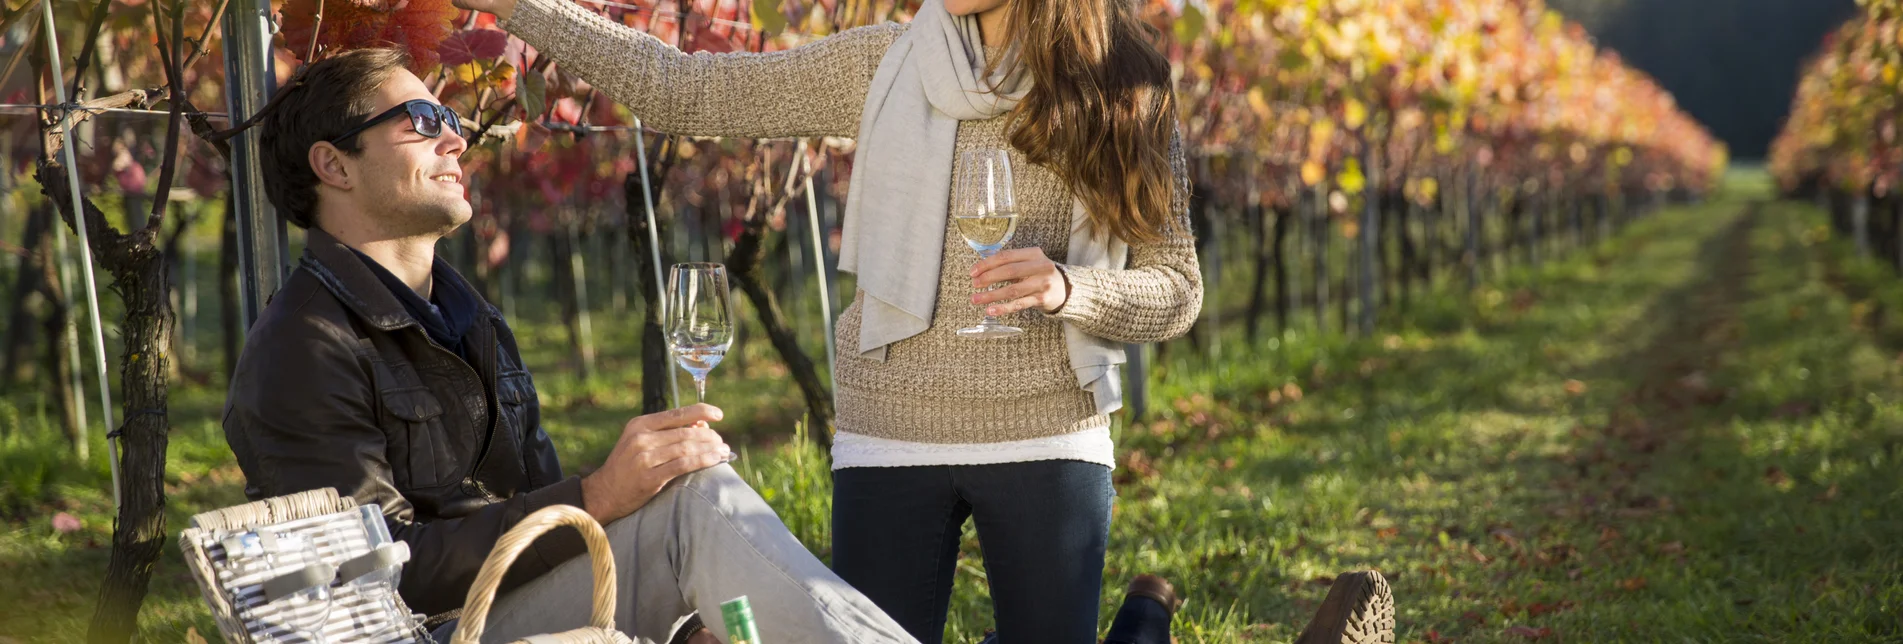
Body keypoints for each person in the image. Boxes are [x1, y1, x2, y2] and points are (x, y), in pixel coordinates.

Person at [456, 0, 1395, 642]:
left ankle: (1143, 622)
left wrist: (1074, 291)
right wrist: (521, 7)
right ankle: (1144, 622)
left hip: (1048, 432)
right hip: (887, 433)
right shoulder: (884, 63)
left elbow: (1175, 288)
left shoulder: (1123, 82)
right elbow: (684, 90)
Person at [223, 47, 922, 644]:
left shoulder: (467, 315)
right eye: (422, 120)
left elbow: (534, 504)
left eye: (451, 119)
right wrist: (596, 495)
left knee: (690, 492)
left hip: (503, 603)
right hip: (432, 628)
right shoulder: (302, 346)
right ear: (334, 165)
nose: (456, 139)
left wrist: (677, 621)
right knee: (693, 504)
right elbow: (375, 575)